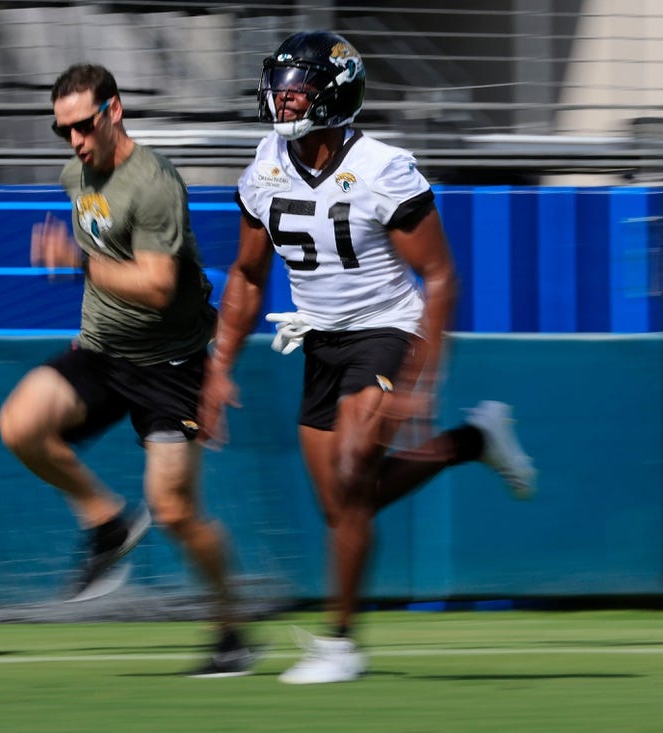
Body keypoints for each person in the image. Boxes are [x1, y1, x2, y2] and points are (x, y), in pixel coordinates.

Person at [198, 31, 537, 685]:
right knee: (346, 504)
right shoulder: (264, 166)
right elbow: (244, 273)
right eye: (281, 84)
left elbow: (439, 276)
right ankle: (473, 440)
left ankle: (341, 644)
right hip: (320, 338)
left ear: (334, 91)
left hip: (387, 328)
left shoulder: (383, 167)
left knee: (354, 474)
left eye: (298, 86)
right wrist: (219, 364)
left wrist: (421, 379)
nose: (283, 97)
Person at [0, 63, 254, 677]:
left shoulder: (155, 183)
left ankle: (232, 630)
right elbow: (103, 252)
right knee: (19, 425)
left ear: (114, 111)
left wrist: (76, 265)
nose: (75, 141)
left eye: (83, 126)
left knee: (173, 513)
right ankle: (107, 522)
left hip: (171, 367)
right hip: (101, 352)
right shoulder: (75, 174)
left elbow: (159, 287)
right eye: (63, 131)